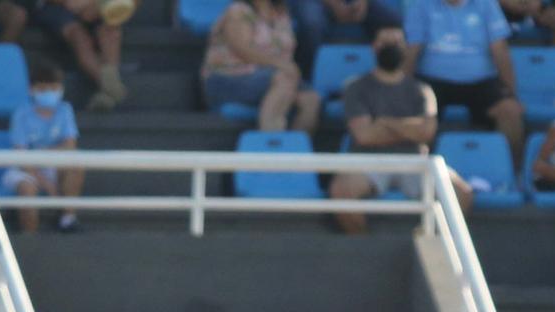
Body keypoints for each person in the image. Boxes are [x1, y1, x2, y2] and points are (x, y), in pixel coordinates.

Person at [331, 28, 472, 233]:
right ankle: (363, 250)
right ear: (374, 47)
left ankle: (428, 241)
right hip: (369, 161)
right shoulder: (357, 88)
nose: (391, 47)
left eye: (396, 42)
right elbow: (364, 135)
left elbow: (427, 132)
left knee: (462, 193)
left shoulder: (422, 90)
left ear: (406, 48)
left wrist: (384, 123)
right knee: (341, 190)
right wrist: (408, 128)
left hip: (415, 162)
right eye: (385, 42)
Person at [405, 0, 526, 158]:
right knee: (414, 117)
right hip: (432, 83)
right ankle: (419, 172)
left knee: (510, 112)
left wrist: (510, 93)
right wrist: (402, 90)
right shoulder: (422, 5)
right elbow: (411, 52)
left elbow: (500, 51)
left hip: (481, 82)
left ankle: (512, 173)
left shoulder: (486, 4)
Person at [200, 0, 319, 133]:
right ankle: (269, 143)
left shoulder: (281, 14)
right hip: (228, 78)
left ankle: (293, 150)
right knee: (283, 80)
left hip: (270, 77)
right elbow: (243, 49)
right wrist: (282, 65)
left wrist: (285, 67)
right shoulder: (238, 11)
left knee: (310, 99)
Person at [6, 59, 86, 234]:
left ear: (61, 89)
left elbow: (70, 146)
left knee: (76, 167)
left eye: (54, 88)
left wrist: (40, 153)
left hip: (51, 164)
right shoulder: (21, 114)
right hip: (25, 169)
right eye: (43, 89)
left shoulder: (65, 110)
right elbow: (21, 157)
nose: (49, 93)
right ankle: (30, 238)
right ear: (32, 90)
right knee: (27, 191)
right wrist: (48, 185)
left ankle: (67, 218)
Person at [37, 0, 133, 112]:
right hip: (56, 6)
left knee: (111, 28)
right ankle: (113, 87)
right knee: (79, 37)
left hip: (94, 5)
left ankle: (108, 91)